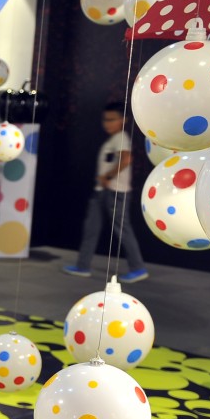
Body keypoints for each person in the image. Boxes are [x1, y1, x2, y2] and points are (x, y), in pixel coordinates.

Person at [62, 102, 149, 283]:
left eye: (112, 119)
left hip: (115, 192)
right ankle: (82, 265)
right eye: (105, 119)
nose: (107, 123)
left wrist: (107, 176)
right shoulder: (115, 139)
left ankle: (138, 267)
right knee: (91, 228)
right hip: (103, 191)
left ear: (123, 120)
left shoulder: (121, 138)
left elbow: (127, 159)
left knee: (122, 229)